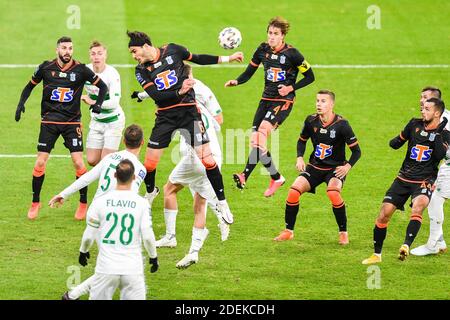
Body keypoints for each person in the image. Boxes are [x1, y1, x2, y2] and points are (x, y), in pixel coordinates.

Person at [127, 30, 243, 225]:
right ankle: (150, 192)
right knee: (149, 164)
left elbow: (198, 58)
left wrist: (228, 58)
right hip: (165, 116)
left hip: (189, 113)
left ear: (145, 46)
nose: (134, 56)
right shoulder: (141, 70)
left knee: (207, 159)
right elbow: (157, 96)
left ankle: (222, 203)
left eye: (134, 51)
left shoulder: (173, 50)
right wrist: (180, 90)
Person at [133, 64, 229, 268]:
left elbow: (161, 97)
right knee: (199, 201)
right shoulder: (193, 99)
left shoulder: (185, 98)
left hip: (195, 156)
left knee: (169, 189)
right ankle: (194, 251)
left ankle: (171, 235)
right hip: (214, 154)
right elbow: (218, 121)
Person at [50, 124, 148, 300]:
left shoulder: (110, 157)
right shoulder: (140, 169)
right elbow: (130, 196)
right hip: (113, 216)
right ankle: (74, 294)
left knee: (112, 264)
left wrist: (63, 194)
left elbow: (88, 177)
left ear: (124, 140)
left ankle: (73, 295)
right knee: (117, 264)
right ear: (142, 142)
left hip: (95, 211)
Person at [15, 36, 108, 220]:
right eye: (64, 48)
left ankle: (83, 203)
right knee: (40, 162)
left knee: (79, 163)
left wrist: (97, 104)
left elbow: (103, 87)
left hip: (72, 123)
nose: (68, 52)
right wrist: (21, 104)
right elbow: (29, 86)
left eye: (70, 48)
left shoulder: (81, 70)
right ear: (57, 49)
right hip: (49, 121)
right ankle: (35, 202)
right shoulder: (45, 68)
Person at [225, 16, 315, 197]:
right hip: (265, 100)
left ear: (283, 36)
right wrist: (237, 81)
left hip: (284, 101)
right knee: (256, 141)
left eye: (275, 34)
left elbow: (310, 77)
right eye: (269, 33)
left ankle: (247, 175)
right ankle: (273, 177)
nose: (271, 37)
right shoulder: (262, 49)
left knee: (263, 131)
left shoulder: (293, 54)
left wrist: (291, 87)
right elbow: (249, 72)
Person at [362, 98, 449, 264]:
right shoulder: (414, 124)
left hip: (425, 179)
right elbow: (395, 143)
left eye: (427, 109)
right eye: (423, 108)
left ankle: (406, 246)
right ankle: (376, 255)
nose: (423, 111)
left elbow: (439, 155)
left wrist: (437, 133)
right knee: (383, 214)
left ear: (437, 113)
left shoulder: (445, 134)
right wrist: (398, 140)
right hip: (403, 178)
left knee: (418, 207)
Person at [273, 90, 361, 244]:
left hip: (335, 169)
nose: (319, 104)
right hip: (315, 167)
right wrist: (299, 157)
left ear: (332, 104)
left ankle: (343, 232)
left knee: (333, 193)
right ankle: (288, 231)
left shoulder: (342, 125)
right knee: (293, 191)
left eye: (323, 101)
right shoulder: (311, 121)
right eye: (317, 100)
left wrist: (347, 166)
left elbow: (357, 151)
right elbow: (301, 141)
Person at [76, 159, 158, 300]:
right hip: (132, 269)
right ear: (133, 177)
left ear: (115, 176)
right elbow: (148, 236)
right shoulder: (142, 203)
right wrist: (153, 257)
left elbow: (89, 235)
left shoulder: (100, 202)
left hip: (106, 268)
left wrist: (83, 251)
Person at [411, 87, 449, 256]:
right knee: (435, 199)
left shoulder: (442, 122)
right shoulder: (444, 116)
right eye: (421, 97)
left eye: (425, 98)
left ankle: (434, 244)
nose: (421, 101)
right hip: (446, 165)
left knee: (435, 199)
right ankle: (438, 241)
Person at [81, 41, 125, 166]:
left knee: (106, 162)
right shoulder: (86, 71)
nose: (96, 57)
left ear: (105, 55)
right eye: (93, 54)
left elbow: (114, 103)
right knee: (92, 160)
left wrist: (93, 102)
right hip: (97, 121)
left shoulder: (112, 74)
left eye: (100, 53)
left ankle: (118, 167)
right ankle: (116, 164)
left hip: (113, 122)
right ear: (90, 56)